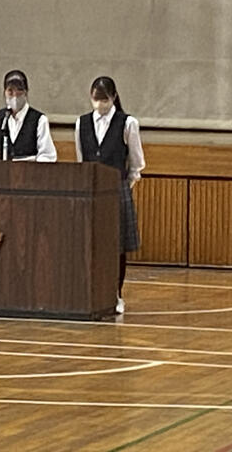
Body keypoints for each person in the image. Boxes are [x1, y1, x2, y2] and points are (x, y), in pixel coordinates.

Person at [75, 76, 145, 315]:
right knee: (91, 243)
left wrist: (124, 186)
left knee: (117, 246)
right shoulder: (82, 123)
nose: (100, 104)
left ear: (113, 97)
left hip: (117, 190)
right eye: (96, 99)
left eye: (104, 99)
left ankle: (116, 293)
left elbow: (136, 163)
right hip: (91, 192)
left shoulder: (128, 123)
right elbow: (82, 159)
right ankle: (91, 292)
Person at [0, 70, 57, 162]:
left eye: (19, 90)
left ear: (26, 92)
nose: (15, 95)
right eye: (10, 91)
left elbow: (47, 156)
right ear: (4, 93)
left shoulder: (39, 120)